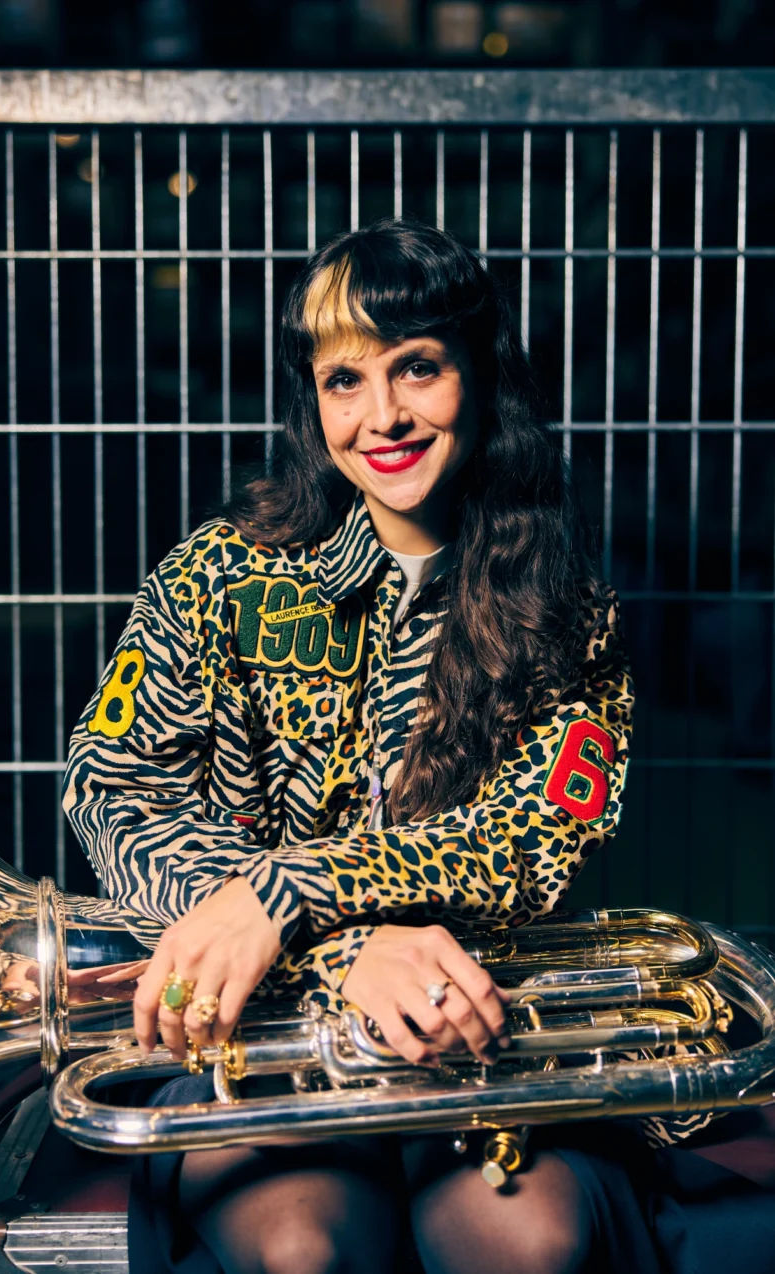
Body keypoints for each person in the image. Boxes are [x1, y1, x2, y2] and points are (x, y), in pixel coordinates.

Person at [62, 218, 771, 1274]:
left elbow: (529, 841)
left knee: (528, 1238)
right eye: (344, 380)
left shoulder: (569, 610)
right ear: (313, 400)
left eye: (418, 368)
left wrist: (289, 890)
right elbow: (112, 788)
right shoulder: (213, 574)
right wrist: (345, 955)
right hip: (262, 1032)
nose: (382, 416)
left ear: (478, 374)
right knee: (299, 1244)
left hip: (481, 1030)